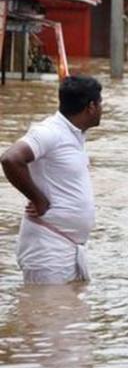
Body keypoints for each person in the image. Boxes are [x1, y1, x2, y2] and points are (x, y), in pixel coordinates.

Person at [1, 76, 103, 284]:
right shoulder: (50, 131)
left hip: (70, 246)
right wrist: (39, 199)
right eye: (100, 103)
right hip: (47, 246)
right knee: (45, 314)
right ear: (91, 107)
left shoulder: (74, 134)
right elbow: (11, 159)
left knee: (69, 313)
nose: (102, 109)